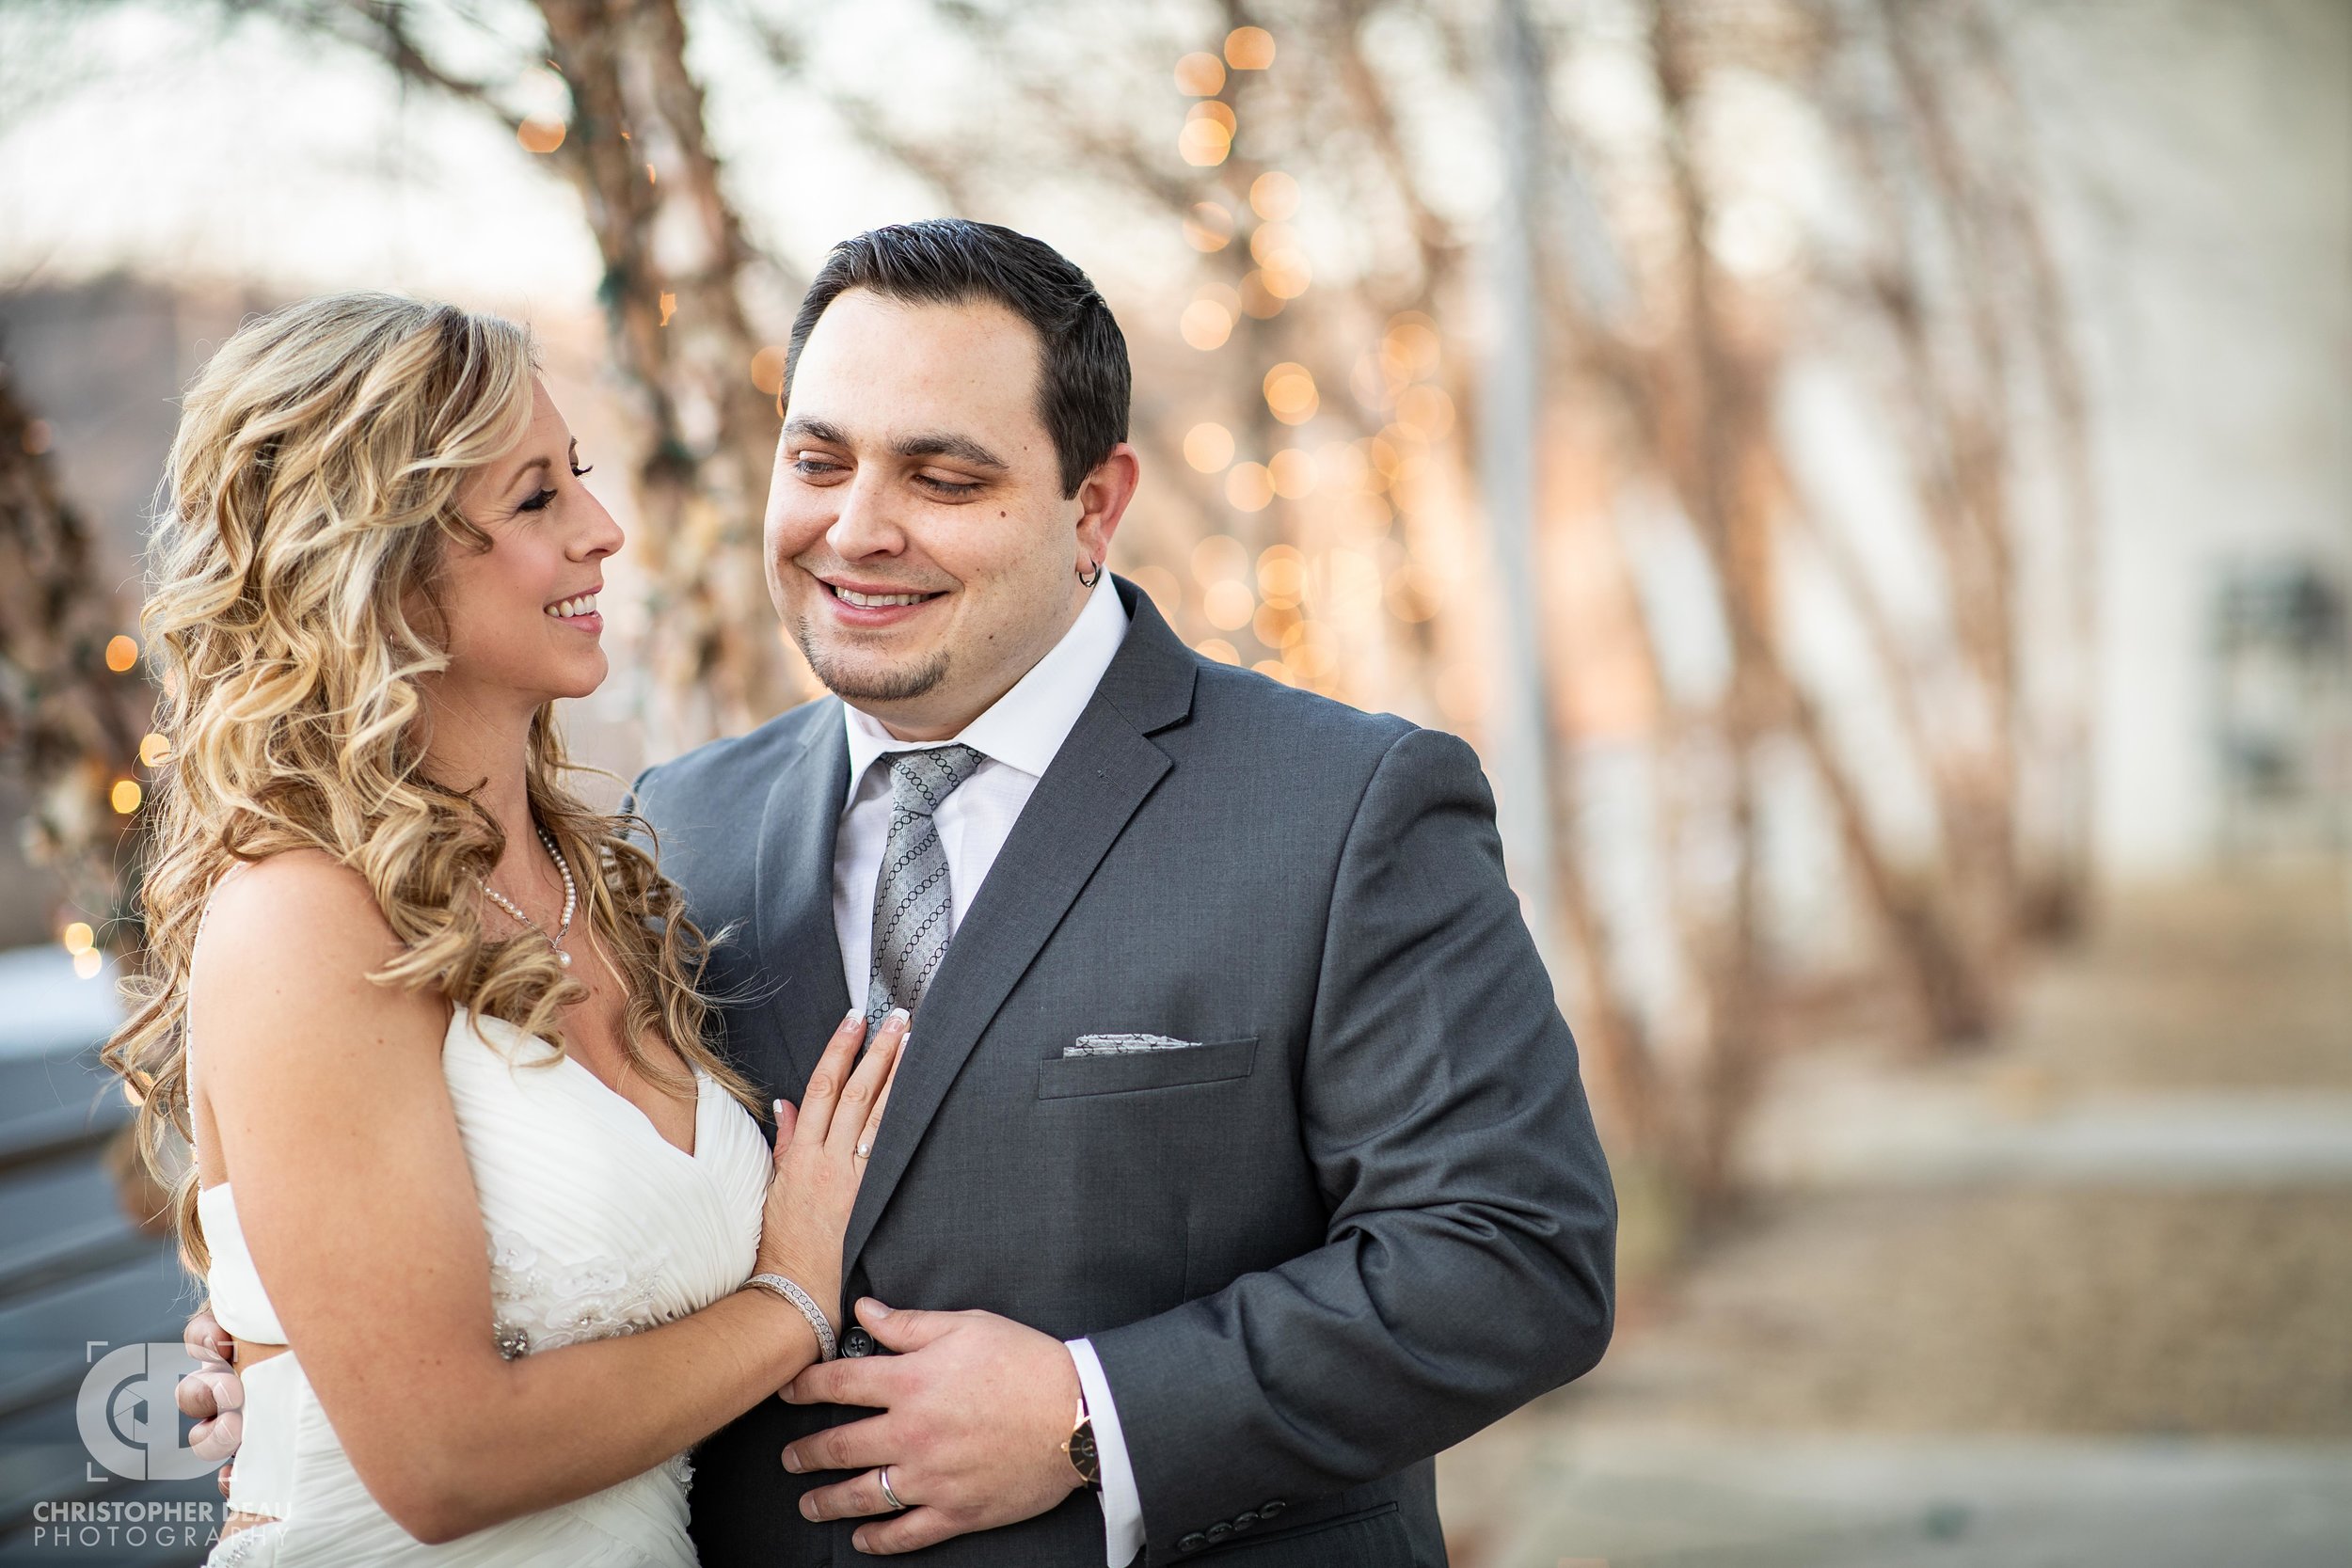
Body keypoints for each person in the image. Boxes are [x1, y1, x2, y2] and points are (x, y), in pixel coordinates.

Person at [184, 222, 1617, 1566]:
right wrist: (315, 1348)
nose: (858, 529)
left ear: (1093, 506)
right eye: (820, 462)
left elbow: (1513, 1261)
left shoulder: (1342, 806)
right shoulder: (671, 832)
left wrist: (1092, 1411)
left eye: (943, 479)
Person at [113, 293, 899, 1565]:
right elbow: (439, 1463)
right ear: (378, 555)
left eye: (577, 479)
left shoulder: (616, 883)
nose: (604, 530)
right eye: (536, 499)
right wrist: (790, 1301)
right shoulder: (303, 917)